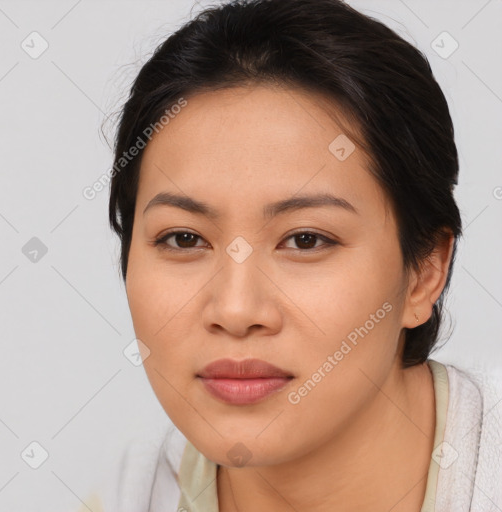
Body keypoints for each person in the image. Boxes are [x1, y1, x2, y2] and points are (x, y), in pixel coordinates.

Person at [81, 0, 502, 510]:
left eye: (306, 240)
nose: (236, 311)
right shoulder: (121, 494)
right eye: (184, 239)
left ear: (424, 274)